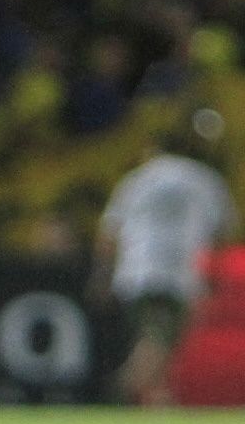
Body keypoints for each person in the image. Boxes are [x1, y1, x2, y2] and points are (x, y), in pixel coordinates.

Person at [94, 115, 239, 404]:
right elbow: (226, 231)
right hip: (181, 274)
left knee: (156, 337)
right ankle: (121, 391)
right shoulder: (206, 179)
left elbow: (109, 232)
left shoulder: (139, 178)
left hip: (137, 271)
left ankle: (156, 399)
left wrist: (102, 274)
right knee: (160, 338)